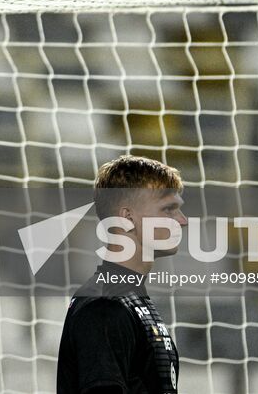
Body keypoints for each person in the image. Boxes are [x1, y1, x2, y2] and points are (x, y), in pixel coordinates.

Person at [56, 155, 187, 393]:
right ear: (127, 217)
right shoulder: (104, 307)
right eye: (169, 209)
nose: (182, 221)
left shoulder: (128, 298)